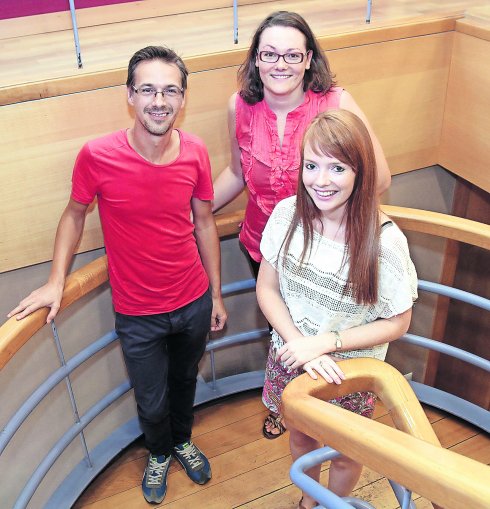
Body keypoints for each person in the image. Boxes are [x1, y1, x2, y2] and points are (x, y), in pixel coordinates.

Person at [7, 46, 227, 505]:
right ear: (130, 95)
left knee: (186, 379)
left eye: (170, 90)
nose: (159, 101)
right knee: (150, 398)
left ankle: (182, 440)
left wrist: (218, 297)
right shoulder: (97, 155)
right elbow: (73, 215)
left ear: (182, 99)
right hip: (137, 313)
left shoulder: (196, 152)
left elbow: (204, 222)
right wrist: (54, 280)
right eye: (147, 89)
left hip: (193, 300)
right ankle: (160, 452)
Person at [212, 10, 391, 439]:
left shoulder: (336, 102)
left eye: (293, 54)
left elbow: (378, 178)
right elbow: (237, 173)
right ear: (255, 59)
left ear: (309, 59)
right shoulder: (240, 105)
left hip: (326, 250)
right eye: (269, 54)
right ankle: (286, 403)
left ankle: (328, 407)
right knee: (282, 330)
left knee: (323, 327)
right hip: (265, 247)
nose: (281, 64)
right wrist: (190, 213)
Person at [256, 109, 417, 509]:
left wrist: (327, 343)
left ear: (360, 171)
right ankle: (310, 501)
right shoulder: (286, 215)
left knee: (347, 450)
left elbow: (398, 321)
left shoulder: (384, 243)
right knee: (300, 436)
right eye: (311, 165)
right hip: (291, 356)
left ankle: (329, 503)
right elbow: (267, 288)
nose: (321, 180)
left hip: (352, 370)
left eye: (337, 168)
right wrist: (300, 345)